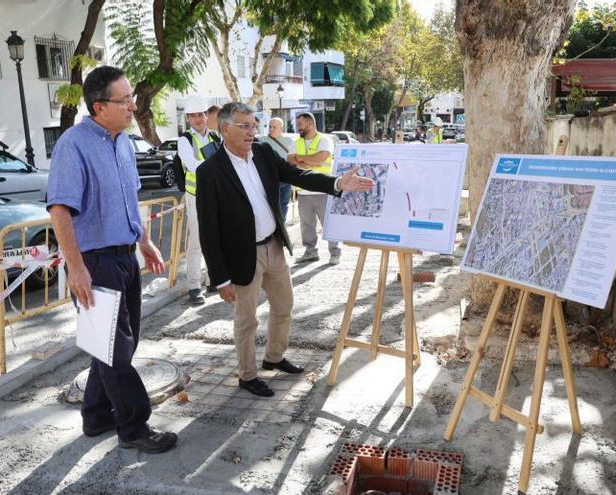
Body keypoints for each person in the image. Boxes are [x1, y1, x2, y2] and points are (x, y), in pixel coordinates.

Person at [196, 102, 375, 397]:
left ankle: (274, 358)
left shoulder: (264, 154)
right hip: (242, 257)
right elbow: (208, 230)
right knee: (247, 320)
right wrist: (221, 278)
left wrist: (338, 184)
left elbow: (298, 176)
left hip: (274, 246)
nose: (252, 132)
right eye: (245, 126)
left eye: (254, 125)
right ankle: (247, 375)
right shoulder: (210, 172)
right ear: (225, 129)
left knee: (284, 307)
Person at [46, 66, 177, 454]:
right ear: (100, 106)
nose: (134, 106)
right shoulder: (74, 144)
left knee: (118, 344)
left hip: (124, 256)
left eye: (132, 98)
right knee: (115, 349)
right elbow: (59, 210)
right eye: (125, 100)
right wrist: (76, 268)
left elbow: (130, 198)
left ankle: (96, 415)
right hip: (95, 261)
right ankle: (134, 427)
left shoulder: (122, 142)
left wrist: (146, 241)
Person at [177, 95, 221, 305]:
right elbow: (192, 164)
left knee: (216, 239)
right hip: (196, 198)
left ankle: (213, 280)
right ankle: (194, 287)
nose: (197, 119)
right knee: (196, 243)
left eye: (200, 115)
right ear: (188, 119)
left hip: (216, 196)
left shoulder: (214, 138)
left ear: (206, 116)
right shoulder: (184, 140)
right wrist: (216, 171)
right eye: (192, 116)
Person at [286, 112, 340, 265]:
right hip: (303, 191)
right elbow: (290, 159)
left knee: (328, 224)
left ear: (310, 123)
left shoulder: (324, 139)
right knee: (307, 226)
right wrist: (310, 162)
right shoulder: (296, 141)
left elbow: (321, 157)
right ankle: (310, 253)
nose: (298, 128)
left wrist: (301, 158)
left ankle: (335, 253)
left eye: (300, 124)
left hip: (323, 189)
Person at [264, 117, 295, 219]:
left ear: (281, 128)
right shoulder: (261, 140)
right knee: (270, 205)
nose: (271, 129)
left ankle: (281, 226)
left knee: (284, 204)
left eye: (274, 127)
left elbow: (294, 158)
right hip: (270, 178)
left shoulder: (289, 140)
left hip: (286, 179)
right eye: (270, 127)